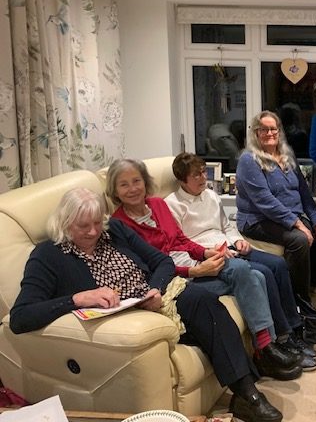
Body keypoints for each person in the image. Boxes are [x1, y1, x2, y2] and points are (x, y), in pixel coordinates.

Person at [9, 187, 283, 422]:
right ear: (65, 222)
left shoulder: (114, 230)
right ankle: (248, 387)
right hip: (125, 319)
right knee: (207, 314)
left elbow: (161, 261)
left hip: (155, 298)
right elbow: (21, 317)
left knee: (205, 302)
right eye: (83, 226)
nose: (93, 232)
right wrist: (77, 299)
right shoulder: (48, 255)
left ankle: (247, 393)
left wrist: (155, 288)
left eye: (97, 223)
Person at [106, 158, 304, 380]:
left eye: (136, 181)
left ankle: (265, 350)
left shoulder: (158, 205)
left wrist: (204, 253)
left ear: (145, 182)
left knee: (257, 275)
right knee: (241, 269)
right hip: (175, 281)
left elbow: (181, 239)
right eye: (124, 184)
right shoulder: (118, 224)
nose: (133, 188)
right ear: (114, 190)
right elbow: (146, 269)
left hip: (194, 263)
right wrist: (195, 271)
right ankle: (267, 349)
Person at [165, 152, 316, 364]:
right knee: (264, 273)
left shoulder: (210, 195)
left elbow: (226, 227)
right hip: (209, 255)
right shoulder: (171, 205)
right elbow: (177, 248)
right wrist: (208, 255)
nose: (203, 178)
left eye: (203, 172)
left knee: (278, 264)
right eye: (196, 175)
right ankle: (282, 337)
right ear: (182, 180)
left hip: (229, 245)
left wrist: (238, 240)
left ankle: (293, 329)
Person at [236, 110, 316, 301]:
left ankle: (310, 284)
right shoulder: (249, 160)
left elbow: (304, 192)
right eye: (263, 129)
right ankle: (298, 300)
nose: (269, 133)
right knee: (299, 240)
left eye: (273, 129)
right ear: (255, 133)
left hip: (288, 217)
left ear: (279, 131)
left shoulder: (288, 156)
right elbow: (265, 201)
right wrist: (298, 224)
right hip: (257, 220)